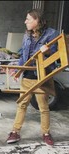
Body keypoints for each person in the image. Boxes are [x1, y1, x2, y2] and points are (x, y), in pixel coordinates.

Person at [6, 9, 59, 146]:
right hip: (28, 75)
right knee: (22, 104)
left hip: (42, 76)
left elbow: (57, 55)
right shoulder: (27, 35)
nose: (25, 21)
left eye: (28, 19)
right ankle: (15, 132)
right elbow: (24, 54)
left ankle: (46, 133)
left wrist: (48, 52)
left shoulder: (52, 34)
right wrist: (18, 70)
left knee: (43, 107)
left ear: (37, 20)